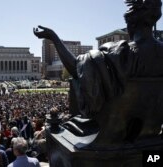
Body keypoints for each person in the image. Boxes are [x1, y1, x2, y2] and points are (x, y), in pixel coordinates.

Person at [34, 0, 163, 134]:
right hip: (152, 132)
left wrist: (53, 37)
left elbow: (76, 69)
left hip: (112, 134)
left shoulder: (121, 54)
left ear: (132, 24)